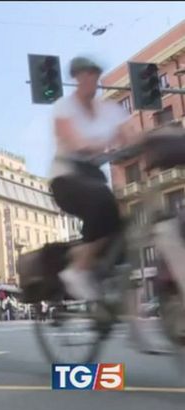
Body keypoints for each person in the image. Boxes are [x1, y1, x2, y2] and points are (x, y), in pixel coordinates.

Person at [48, 56, 135, 303]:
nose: (90, 80)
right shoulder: (65, 107)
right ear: (76, 78)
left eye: (94, 75)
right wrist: (103, 144)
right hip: (66, 179)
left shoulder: (110, 110)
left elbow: (131, 135)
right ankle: (77, 270)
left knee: (120, 227)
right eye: (84, 75)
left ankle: (102, 278)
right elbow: (73, 141)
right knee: (103, 201)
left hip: (94, 179)